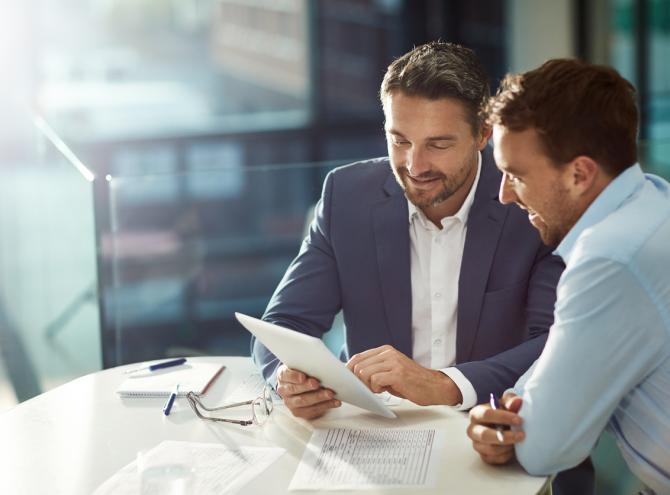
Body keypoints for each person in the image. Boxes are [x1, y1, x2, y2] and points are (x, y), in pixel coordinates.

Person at [251, 41, 562, 418]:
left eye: (438, 144)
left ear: (483, 134)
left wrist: (444, 385)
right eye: (400, 140)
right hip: (377, 430)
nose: (415, 165)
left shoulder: (530, 203)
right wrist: (288, 376)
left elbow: (555, 343)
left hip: (492, 425)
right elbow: (284, 324)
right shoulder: (345, 197)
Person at [466, 58, 670, 494]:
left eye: (515, 175)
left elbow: (542, 448)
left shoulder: (610, 258)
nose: (503, 195)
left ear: (579, 174)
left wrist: (512, 427)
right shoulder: (652, 200)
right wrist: (510, 408)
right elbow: (560, 360)